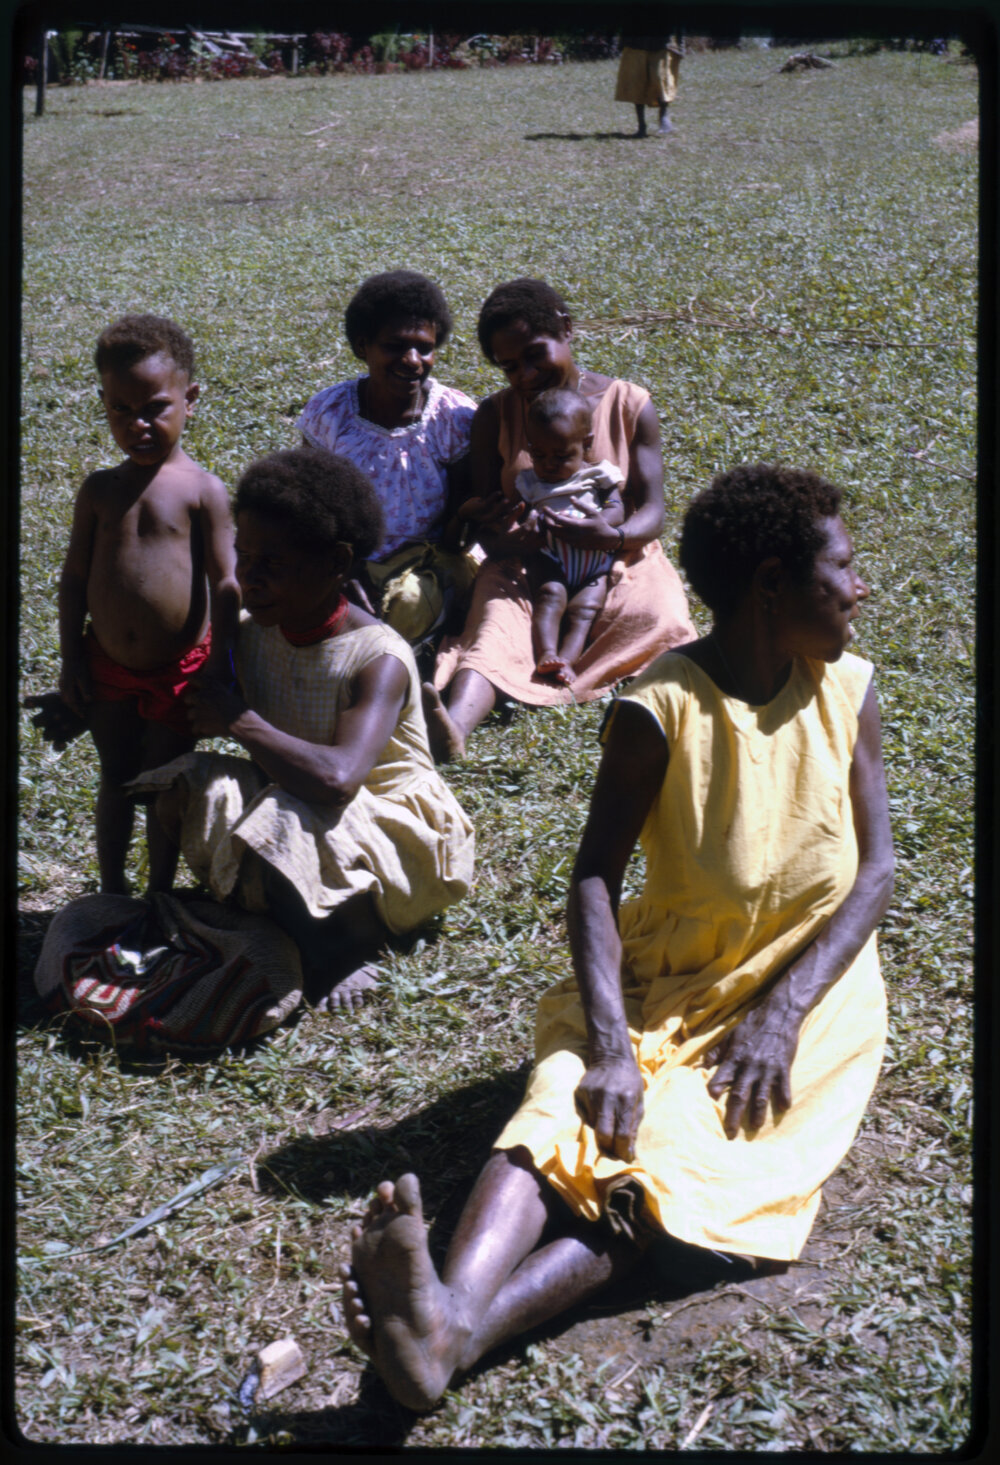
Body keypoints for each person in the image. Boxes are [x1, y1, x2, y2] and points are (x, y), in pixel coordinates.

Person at [342, 464, 894, 1409]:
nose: (860, 587)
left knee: (667, 1166)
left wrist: (782, 1016)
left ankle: (454, 1331)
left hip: (809, 993)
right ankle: (442, 1324)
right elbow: (594, 875)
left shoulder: (848, 688)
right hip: (667, 978)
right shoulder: (660, 706)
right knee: (566, 1107)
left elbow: (876, 871)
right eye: (841, 566)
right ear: (770, 583)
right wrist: (609, 1047)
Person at [133, 448, 474, 1012]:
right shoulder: (251, 630)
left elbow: (339, 780)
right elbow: (187, 712)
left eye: (273, 562)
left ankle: (342, 951)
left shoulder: (376, 658)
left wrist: (239, 719)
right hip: (300, 802)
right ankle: (161, 906)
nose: (250, 576)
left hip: (391, 834)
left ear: (336, 563)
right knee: (183, 780)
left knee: (281, 816)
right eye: (244, 555)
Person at [425, 278, 695, 760]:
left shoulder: (630, 404)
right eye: (509, 367)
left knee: (659, 616)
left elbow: (652, 510)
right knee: (494, 625)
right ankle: (454, 728)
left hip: (619, 557)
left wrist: (611, 536)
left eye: (534, 355)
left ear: (566, 329)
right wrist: (505, 537)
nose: (525, 375)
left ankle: (668, 714)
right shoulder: (495, 415)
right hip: (528, 566)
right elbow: (486, 517)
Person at [52, 313, 239, 894]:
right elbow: (74, 579)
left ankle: (158, 892)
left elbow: (227, 583)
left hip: (180, 672)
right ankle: (111, 891)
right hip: (106, 665)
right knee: (114, 778)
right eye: (119, 410)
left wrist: (219, 666)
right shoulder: (100, 491)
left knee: (162, 783)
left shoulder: (202, 490)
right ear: (104, 404)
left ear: (191, 399)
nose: (137, 425)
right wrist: (70, 660)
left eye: (154, 407)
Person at [298, 270, 478, 650]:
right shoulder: (330, 411)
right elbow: (310, 501)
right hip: (346, 559)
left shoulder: (453, 416)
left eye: (424, 348)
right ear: (363, 346)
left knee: (407, 604)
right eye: (395, 346)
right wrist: (342, 569)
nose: (412, 360)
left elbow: (461, 514)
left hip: (427, 561)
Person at [511, 387, 625, 684]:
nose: (549, 464)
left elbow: (616, 508)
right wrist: (525, 527)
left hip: (594, 563)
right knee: (550, 596)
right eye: (539, 454)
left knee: (585, 611)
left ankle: (568, 662)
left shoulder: (599, 475)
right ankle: (547, 652)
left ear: (586, 444)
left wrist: (603, 524)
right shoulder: (530, 481)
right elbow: (519, 515)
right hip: (550, 558)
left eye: (562, 456)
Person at [614, 34, 683, 137]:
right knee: (636, 83)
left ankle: (664, 116)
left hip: (661, 43)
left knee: (660, 79)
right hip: (635, 43)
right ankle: (641, 125)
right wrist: (622, 43)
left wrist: (681, 45)